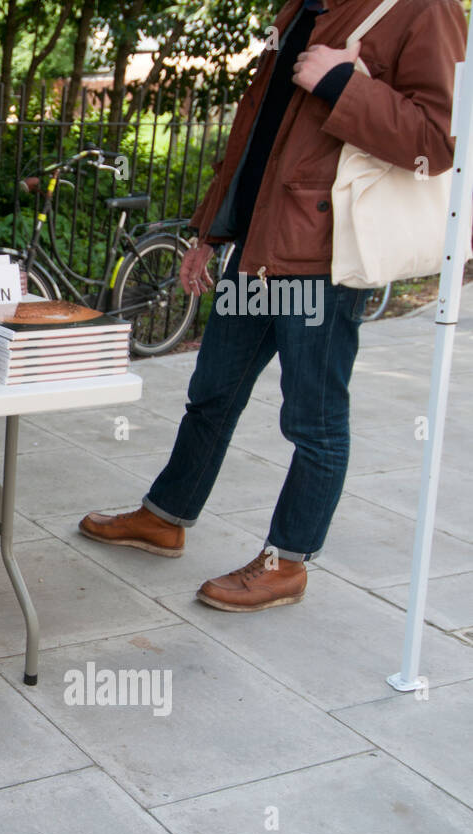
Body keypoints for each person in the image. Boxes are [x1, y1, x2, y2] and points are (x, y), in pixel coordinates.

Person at [79, 0, 466, 611]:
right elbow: (256, 136)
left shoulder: (424, 8)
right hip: (256, 246)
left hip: (325, 255)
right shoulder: (303, 8)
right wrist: (210, 231)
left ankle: (287, 561)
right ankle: (166, 516)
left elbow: (437, 141)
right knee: (211, 394)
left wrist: (341, 82)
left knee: (312, 420)